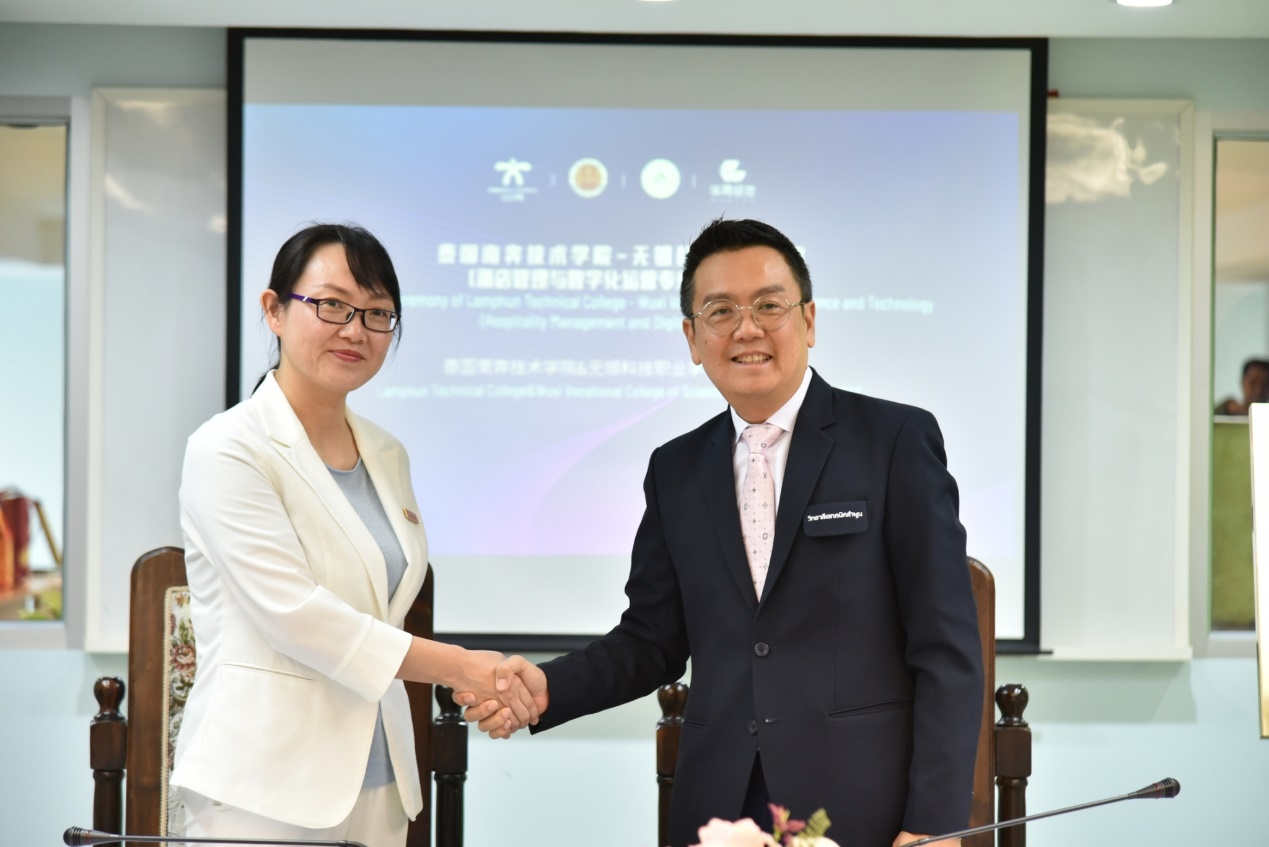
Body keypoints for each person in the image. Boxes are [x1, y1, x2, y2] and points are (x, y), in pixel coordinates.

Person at [462, 218, 983, 847]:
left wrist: (934, 825)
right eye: (721, 311)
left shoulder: (893, 441)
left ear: (809, 320)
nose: (747, 329)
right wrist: (548, 688)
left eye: (769, 306)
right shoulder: (676, 468)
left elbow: (946, 648)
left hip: (864, 806)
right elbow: (651, 640)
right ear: (692, 336)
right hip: (719, 807)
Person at [170, 223, 539, 847]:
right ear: (274, 310)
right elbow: (296, 616)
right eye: (332, 305)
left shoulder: (386, 452)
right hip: (264, 785)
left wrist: (485, 680)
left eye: (376, 313)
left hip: (379, 779)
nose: (355, 330)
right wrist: (463, 668)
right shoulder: (228, 448)